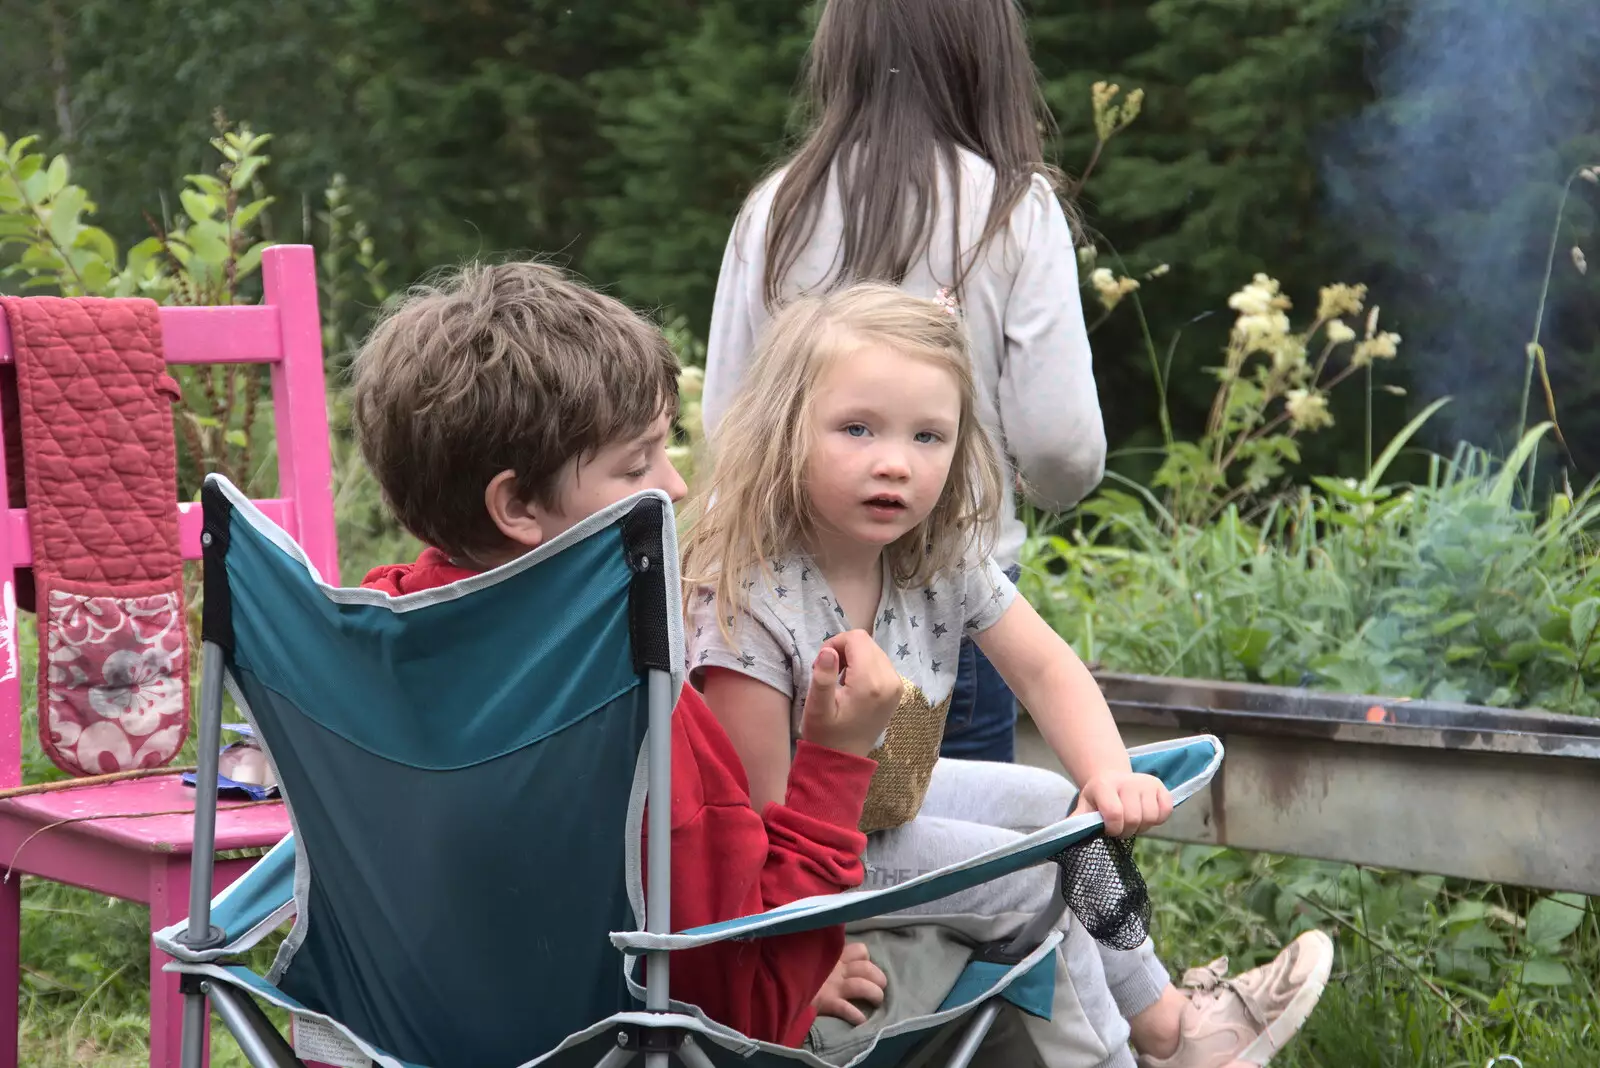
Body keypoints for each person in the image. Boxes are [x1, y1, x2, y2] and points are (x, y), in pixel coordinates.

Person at [687, 286, 1332, 1068]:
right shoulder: (753, 600)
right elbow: (754, 824)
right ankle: (1127, 1055)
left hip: (890, 804)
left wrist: (1108, 774)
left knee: (1064, 812)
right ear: (788, 431)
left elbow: (1047, 667)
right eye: (857, 429)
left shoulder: (937, 557)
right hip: (811, 853)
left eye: (929, 436)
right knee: (1039, 879)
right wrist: (801, 961)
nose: (895, 461)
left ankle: (1166, 1025)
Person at [348, 259, 905, 1048]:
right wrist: (837, 759)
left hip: (403, 1038)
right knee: (998, 948)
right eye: (636, 463)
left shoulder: (372, 645)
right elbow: (743, 1011)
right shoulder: (639, 707)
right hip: (616, 1045)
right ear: (516, 505)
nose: (676, 486)